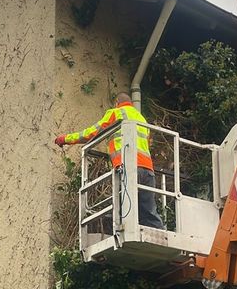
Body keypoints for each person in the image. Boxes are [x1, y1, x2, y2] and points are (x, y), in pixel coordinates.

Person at [54, 93, 165, 229]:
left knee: (122, 209)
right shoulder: (141, 119)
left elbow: (92, 133)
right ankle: (160, 235)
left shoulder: (116, 113)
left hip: (127, 167)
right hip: (147, 170)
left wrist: (66, 139)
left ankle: (118, 234)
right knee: (149, 212)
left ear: (117, 102)